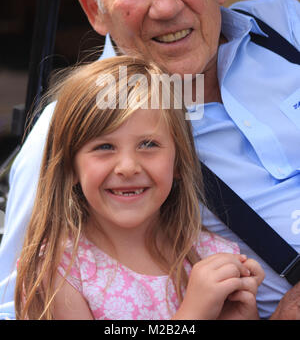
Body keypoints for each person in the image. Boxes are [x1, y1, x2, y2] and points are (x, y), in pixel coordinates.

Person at [0, 0, 299, 319]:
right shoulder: (75, 122)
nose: (165, 5)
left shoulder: (286, 27)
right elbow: (16, 305)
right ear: (94, 8)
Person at [14, 56, 263, 320]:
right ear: (70, 168)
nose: (128, 167)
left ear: (180, 161)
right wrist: (193, 314)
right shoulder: (58, 271)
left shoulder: (213, 256)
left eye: (148, 144)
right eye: (104, 147)